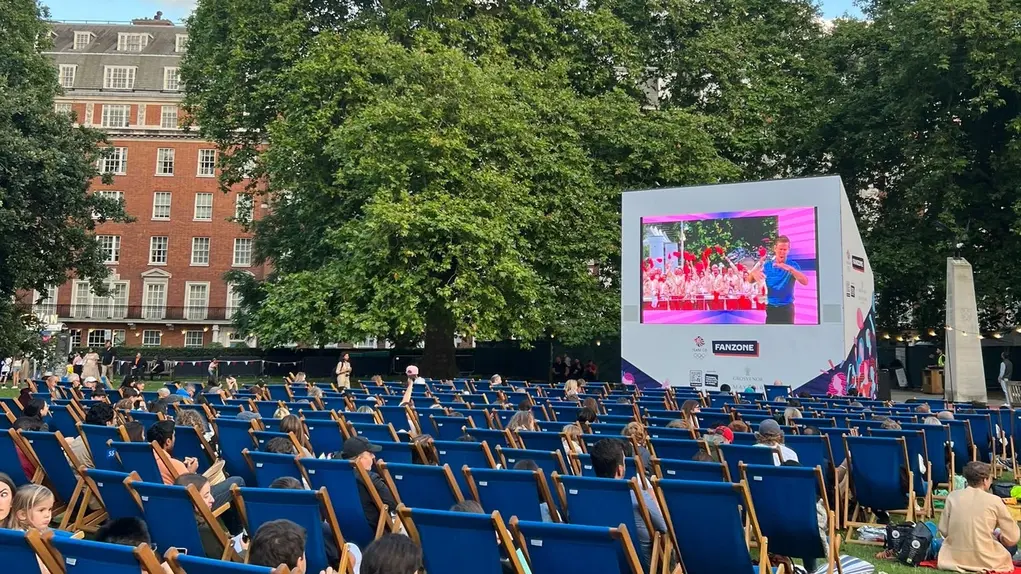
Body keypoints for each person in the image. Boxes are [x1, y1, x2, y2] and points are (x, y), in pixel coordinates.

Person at [148, 421, 245, 533]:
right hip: (193, 506)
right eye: (174, 436)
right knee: (237, 481)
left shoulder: (147, 462)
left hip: (166, 507)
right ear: (168, 441)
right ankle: (239, 532)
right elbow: (191, 488)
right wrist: (191, 472)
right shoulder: (173, 464)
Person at [590, 438, 667, 568]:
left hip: (602, 564)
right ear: (620, 470)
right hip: (639, 565)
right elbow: (663, 527)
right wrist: (653, 499)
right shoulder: (636, 495)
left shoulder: (585, 496)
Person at [938, 461, 1019, 572]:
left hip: (954, 556)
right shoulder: (994, 500)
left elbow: (943, 530)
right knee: (1011, 547)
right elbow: (1012, 538)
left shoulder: (953, 496)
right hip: (987, 558)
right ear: (985, 480)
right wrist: (999, 536)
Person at [338, 437, 399, 531]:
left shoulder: (336, 476)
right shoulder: (372, 479)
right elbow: (393, 504)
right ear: (359, 458)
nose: (373, 456)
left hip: (343, 529)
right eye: (370, 454)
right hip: (374, 530)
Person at [746, 235, 808, 324]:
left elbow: (805, 282)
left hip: (786, 308)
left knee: (787, 336)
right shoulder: (767, 266)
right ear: (775, 248)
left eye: (785, 250)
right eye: (780, 249)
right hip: (771, 308)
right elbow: (750, 280)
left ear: (788, 250)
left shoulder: (793, 265)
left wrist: (789, 269)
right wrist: (753, 273)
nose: (782, 252)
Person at [67, 402, 116, 469]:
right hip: (91, 477)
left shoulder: (80, 438)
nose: (116, 422)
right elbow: (111, 467)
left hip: (72, 475)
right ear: (108, 423)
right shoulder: (105, 444)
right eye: (115, 419)